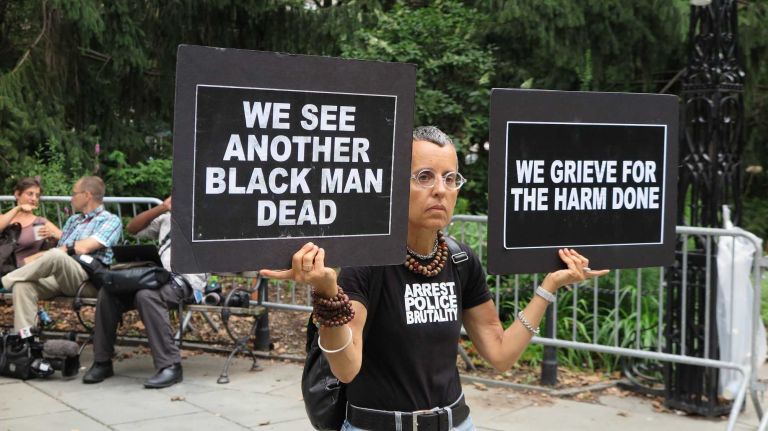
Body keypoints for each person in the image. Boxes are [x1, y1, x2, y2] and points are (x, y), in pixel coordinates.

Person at [261, 126, 609, 431]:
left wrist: (549, 287)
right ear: (397, 185)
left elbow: (500, 354)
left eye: (450, 178)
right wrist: (327, 291)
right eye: (424, 176)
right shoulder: (369, 264)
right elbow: (347, 368)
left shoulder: (460, 260)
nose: (440, 190)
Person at [82, 196, 207, 388]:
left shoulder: (205, 220)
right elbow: (133, 228)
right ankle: (102, 361)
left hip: (187, 280)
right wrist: (162, 208)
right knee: (109, 294)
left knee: (147, 296)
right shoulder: (166, 219)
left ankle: (171, 365)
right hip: (154, 277)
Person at [1, 176, 122, 333]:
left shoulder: (110, 220)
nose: (71, 198)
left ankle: (3, 283)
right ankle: (26, 341)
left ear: (87, 195)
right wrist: (49, 252)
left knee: (57, 256)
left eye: (74, 193)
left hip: (88, 279)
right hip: (62, 278)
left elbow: (84, 248)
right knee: (22, 286)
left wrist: (59, 250)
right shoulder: (73, 220)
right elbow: (60, 250)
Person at [0, 178, 62, 277]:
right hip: (3, 268)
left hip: (25, 269)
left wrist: (52, 234)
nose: (33, 199)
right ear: (17, 194)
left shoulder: (39, 222)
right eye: (30, 194)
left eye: (37, 196)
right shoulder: (5, 219)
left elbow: (66, 238)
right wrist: (18, 208)